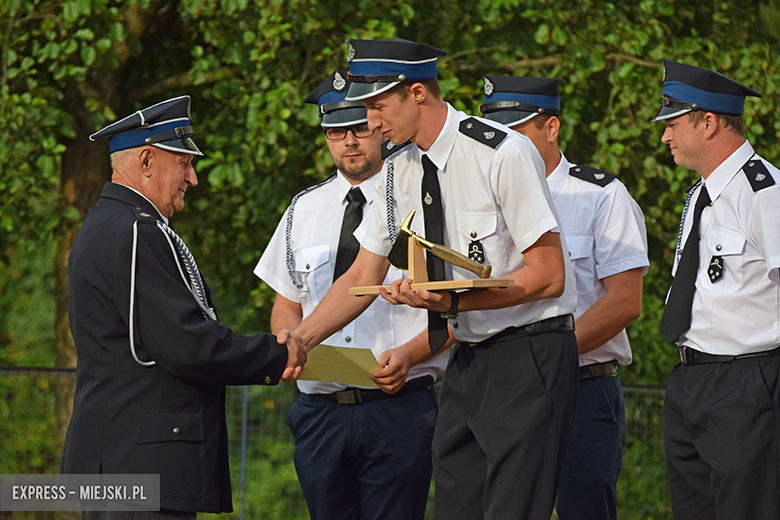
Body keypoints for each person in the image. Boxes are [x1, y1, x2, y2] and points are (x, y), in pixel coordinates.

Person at [285, 39, 580, 520]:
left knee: (514, 508)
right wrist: (301, 339)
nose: (370, 122)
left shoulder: (501, 152)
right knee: (455, 507)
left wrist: (454, 304)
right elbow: (363, 272)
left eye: (378, 107)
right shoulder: (398, 168)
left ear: (418, 92)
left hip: (531, 352)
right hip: (469, 355)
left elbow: (549, 276)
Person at [61, 96, 306, 519]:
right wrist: (275, 354)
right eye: (184, 163)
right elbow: (187, 344)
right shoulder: (138, 231)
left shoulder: (102, 224)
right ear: (146, 160)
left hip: (117, 457)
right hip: (141, 464)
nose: (192, 178)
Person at [254, 71, 448, 520]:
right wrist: (291, 345)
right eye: (336, 133)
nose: (350, 142)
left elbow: (455, 307)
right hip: (320, 409)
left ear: (378, 125)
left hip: (398, 403)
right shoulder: (303, 208)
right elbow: (286, 301)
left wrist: (411, 355)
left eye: (359, 128)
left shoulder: (423, 197)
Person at [479, 75, 649, 520]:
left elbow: (625, 302)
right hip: (500, 387)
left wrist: (545, 358)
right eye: (494, 133)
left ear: (550, 128)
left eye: (514, 131)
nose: (502, 144)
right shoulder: (480, 197)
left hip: (581, 387)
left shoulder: (599, 195)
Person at [652, 60, 780, 519]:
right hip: (690, 380)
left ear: (708, 122)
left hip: (747, 383)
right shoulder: (699, 196)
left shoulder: (765, 192)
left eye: (672, 124)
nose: (664, 137)